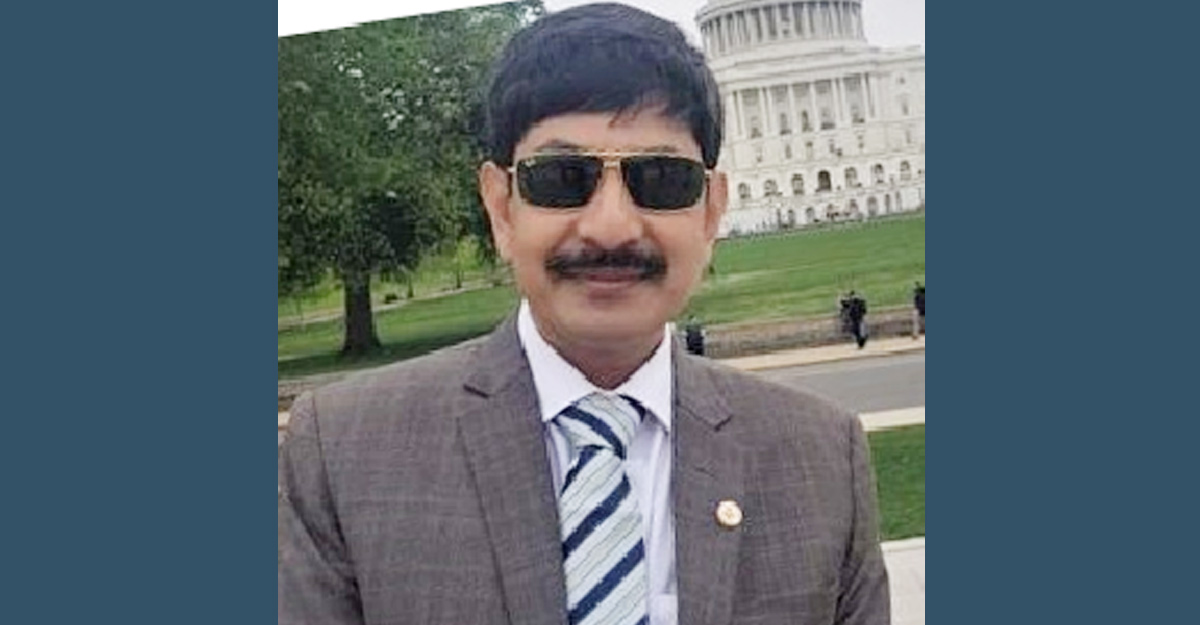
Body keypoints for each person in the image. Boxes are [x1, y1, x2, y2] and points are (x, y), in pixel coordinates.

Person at [278, 4, 889, 625]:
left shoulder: (821, 458)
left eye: (662, 178)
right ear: (500, 208)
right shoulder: (345, 453)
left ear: (710, 211)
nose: (611, 227)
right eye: (562, 178)